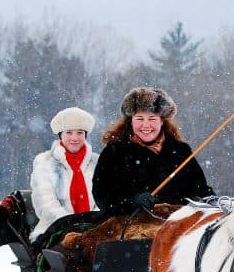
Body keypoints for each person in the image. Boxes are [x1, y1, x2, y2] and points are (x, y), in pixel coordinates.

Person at [92, 86, 214, 215]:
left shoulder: (181, 150)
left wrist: (211, 201)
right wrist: (131, 202)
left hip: (178, 224)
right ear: (131, 121)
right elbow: (102, 196)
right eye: (140, 119)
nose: (146, 125)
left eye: (152, 119)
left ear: (162, 121)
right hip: (131, 226)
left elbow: (200, 189)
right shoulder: (114, 152)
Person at [29, 106, 99, 241]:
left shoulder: (97, 162)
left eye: (80, 132)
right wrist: (72, 225)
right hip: (55, 229)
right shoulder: (44, 163)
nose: (75, 138)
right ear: (61, 134)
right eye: (69, 132)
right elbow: (46, 204)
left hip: (94, 228)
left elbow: (103, 199)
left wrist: (93, 223)